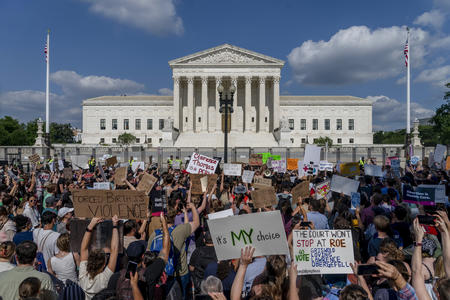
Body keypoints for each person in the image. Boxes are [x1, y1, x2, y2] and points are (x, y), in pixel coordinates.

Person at [148, 202, 200, 298]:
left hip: (161, 274)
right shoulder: (180, 230)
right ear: (175, 216)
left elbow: (148, 255)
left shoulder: (154, 234)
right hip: (180, 273)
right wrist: (193, 207)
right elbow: (197, 223)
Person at [79, 216, 119, 300]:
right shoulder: (104, 279)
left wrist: (91, 225)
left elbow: (83, 249)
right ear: (104, 264)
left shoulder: (83, 276)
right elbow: (114, 249)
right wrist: (114, 225)